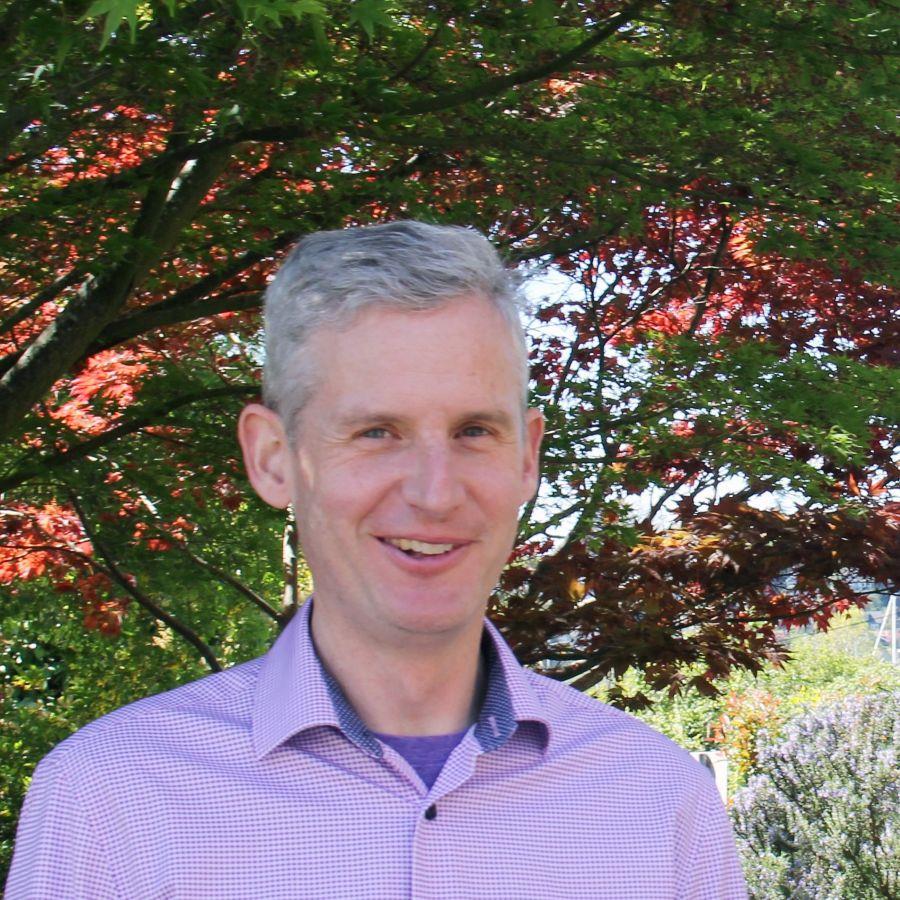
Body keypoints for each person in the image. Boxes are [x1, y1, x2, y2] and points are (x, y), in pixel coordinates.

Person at [6, 221, 747, 898]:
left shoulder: (658, 804)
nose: (434, 492)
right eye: (376, 432)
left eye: (474, 432)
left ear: (528, 457)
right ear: (272, 459)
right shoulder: (111, 798)